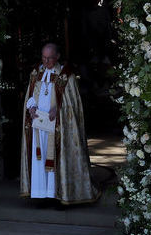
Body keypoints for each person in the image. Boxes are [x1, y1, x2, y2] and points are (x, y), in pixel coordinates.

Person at [20, 43, 99, 206]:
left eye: (49, 58)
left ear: (57, 57)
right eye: (43, 57)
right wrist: (32, 107)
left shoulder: (66, 75)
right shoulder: (36, 73)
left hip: (58, 127)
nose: (46, 61)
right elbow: (31, 94)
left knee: (58, 159)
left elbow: (71, 103)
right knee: (38, 159)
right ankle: (40, 195)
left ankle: (58, 195)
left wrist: (58, 110)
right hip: (38, 126)